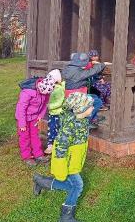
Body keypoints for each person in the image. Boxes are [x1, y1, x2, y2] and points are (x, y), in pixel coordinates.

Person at [33, 92, 94, 222]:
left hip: (74, 160)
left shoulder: (81, 119)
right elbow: (60, 148)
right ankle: (66, 215)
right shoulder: (69, 128)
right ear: (81, 109)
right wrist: (61, 167)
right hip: (68, 162)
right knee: (78, 186)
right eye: (90, 106)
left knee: (69, 186)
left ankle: (41, 182)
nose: (93, 108)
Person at [15, 72, 56, 166]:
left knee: (35, 135)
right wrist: (22, 124)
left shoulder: (46, 92)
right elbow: (21, 108)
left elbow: (45, 105)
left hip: (34, 117)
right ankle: (27, 156)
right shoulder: (27, 92)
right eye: (43, 93)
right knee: (24, 136)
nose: (45, 95)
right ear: (39, 88)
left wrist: (40, 116)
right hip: (23, 117)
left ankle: (38, 154)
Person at [62, 53, 106, 128]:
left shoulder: (68, 68)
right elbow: (92, 71)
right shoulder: (79, 72)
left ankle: (93, 118)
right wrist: (102, 64)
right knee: (98, 102)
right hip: (77, 97)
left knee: (94, 96)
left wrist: (91, 63)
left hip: (69, 95)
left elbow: (84, 67)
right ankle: (86, 121)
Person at [45, 69, 64, 155]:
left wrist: (49, 106)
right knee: (51, 129)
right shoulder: (51, 88)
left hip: (58, 113)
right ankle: (50, 145)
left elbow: (60, 102)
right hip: (52, 113)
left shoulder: (59, 89)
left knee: (57, 129)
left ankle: (57, 145)